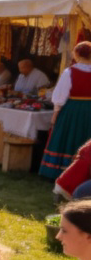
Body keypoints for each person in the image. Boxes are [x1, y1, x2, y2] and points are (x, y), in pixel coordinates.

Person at [40, 43, 91, 179]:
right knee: (85, 138)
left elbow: (60, 96)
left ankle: (60, 172)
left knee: (67, 138)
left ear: (76, 54)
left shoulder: (70, 72)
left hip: (72, 110)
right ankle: (84, 174)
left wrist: (55, 114)